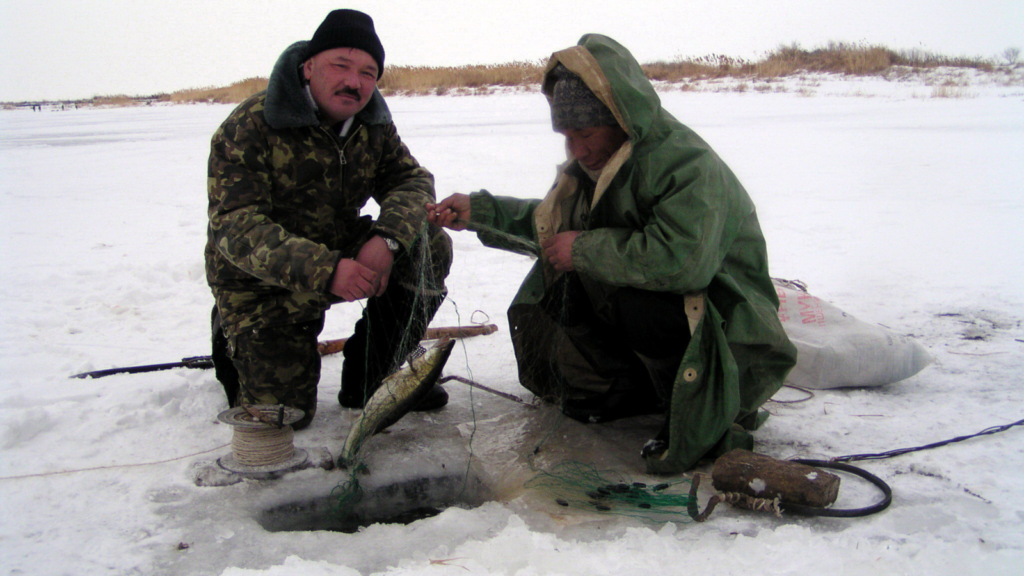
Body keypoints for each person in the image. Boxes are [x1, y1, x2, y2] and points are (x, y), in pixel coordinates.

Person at [428, 34, 797, 474]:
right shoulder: (598, 165)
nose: (577, 149)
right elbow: (552, 226)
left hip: (730, 333)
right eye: (567, 136)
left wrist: (583, 249)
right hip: (674, 320)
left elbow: (683, 262)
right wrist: (481, 212)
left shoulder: (687, 165)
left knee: (633, 299)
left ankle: (698, 408)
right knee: (567, 276)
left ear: (620, 118)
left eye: (585, 133)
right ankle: (629, 391)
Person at [206, 9, 452, 430]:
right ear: (309, 66)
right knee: (287, 416)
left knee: (428, 240)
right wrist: (325, 270)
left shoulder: (372, 123)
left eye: (367, 72)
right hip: (262, 283)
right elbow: (236, 226)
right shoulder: (251, 126)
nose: (353, 82)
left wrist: (388, 239)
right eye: (341, 65)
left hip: (340, 248)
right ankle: (232, 339)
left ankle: (373, 374)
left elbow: (412, 180)